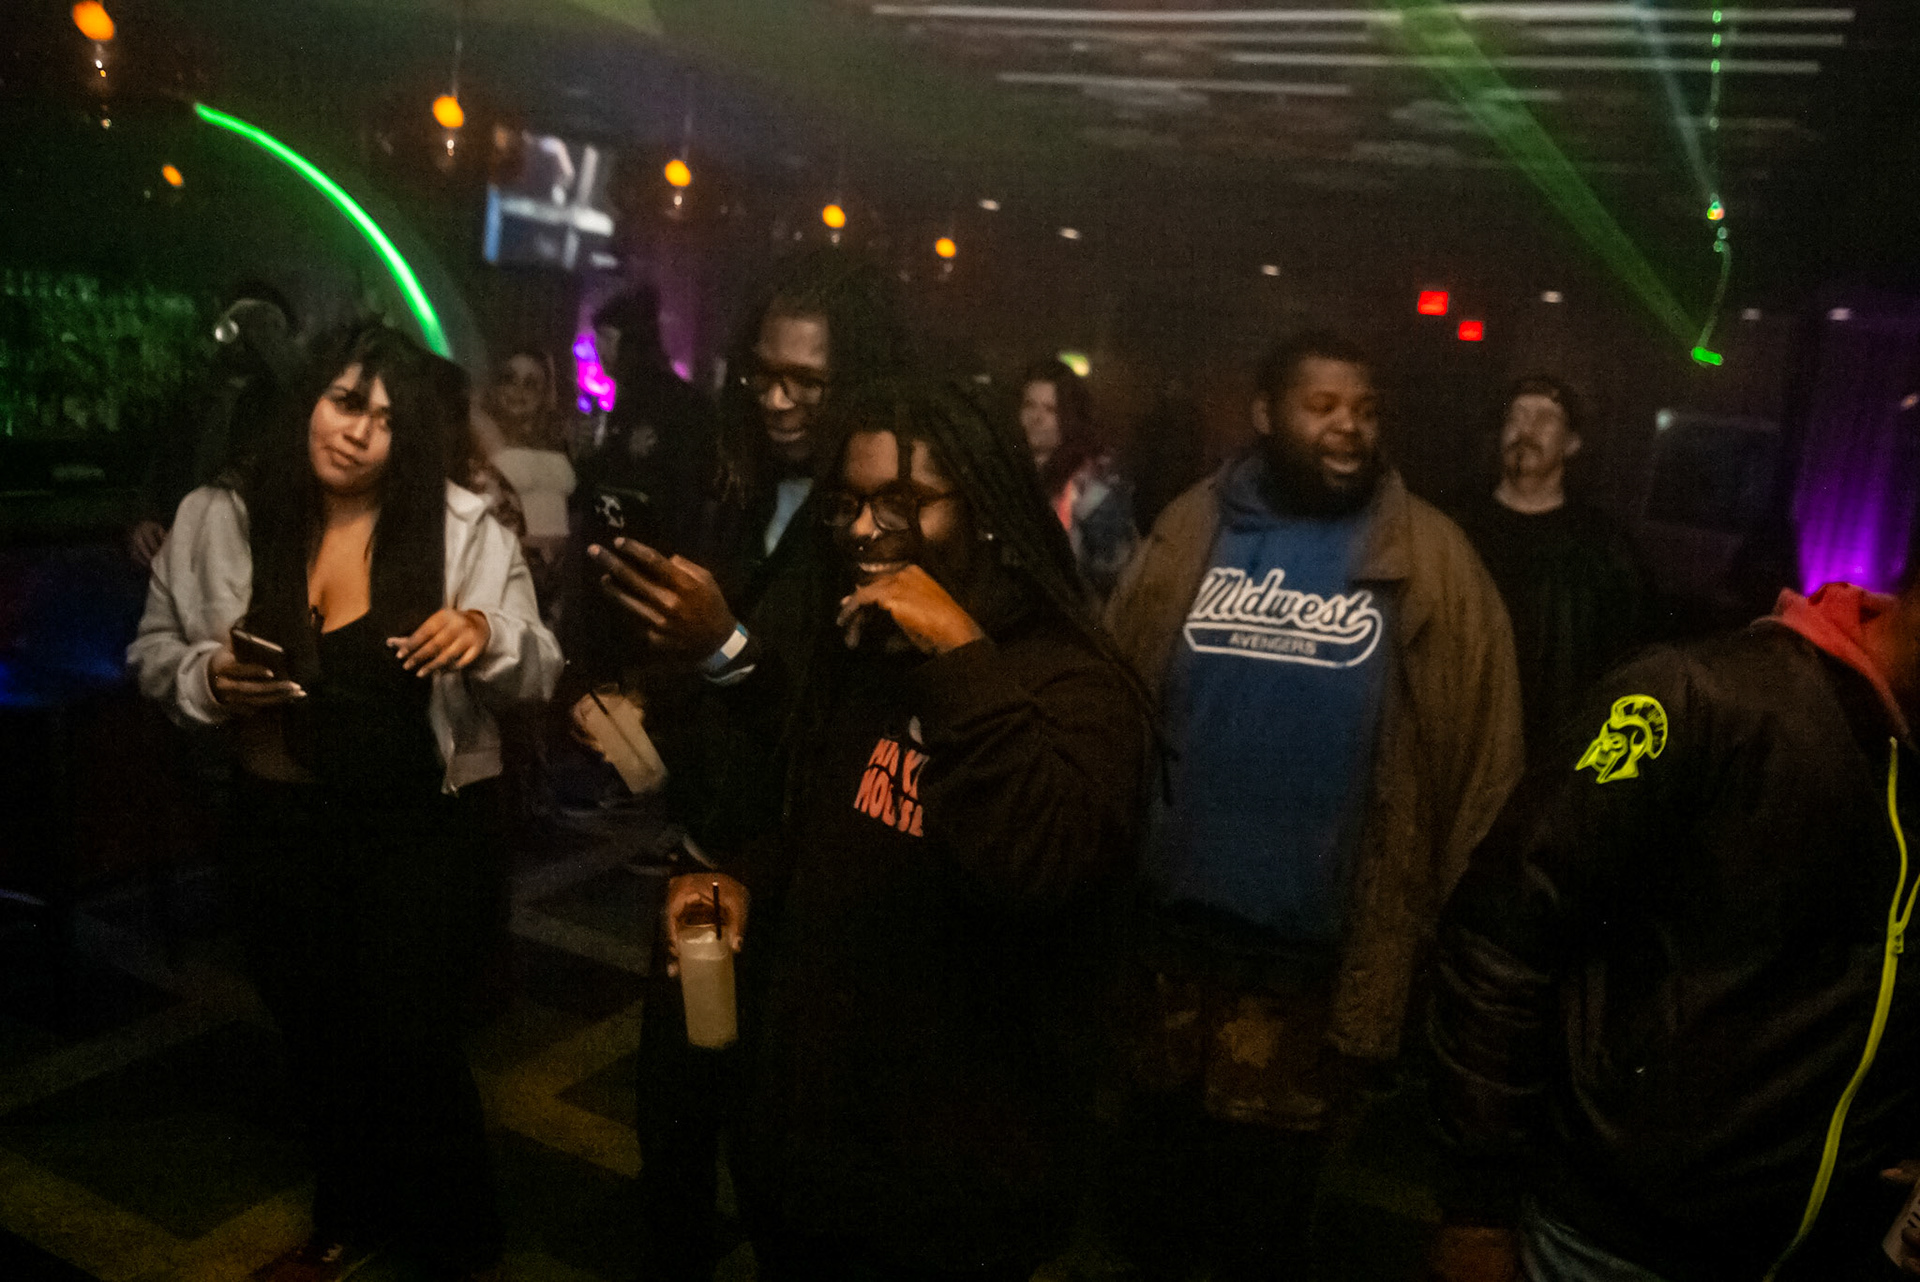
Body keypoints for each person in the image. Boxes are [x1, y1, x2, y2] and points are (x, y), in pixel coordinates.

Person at [596, 378, 1148, 1280]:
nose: (862, 529)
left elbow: (1036, 866)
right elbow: (835, 819)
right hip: (814, 1155)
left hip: (950, 1185)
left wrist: (960, 653)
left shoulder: (1074, 686)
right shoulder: (868, 652)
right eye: (847, 505)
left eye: (901, 503)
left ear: (985, 510)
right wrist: (747, 879)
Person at [127, 320, 563, 1282]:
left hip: (417, 833)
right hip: (278, 826)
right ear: (310, 400)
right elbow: (154, 649)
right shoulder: (220, 516)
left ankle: (457, 1241)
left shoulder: (461, 527)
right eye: (346, 402)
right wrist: (207, 678)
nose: (361, 431)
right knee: (315, 1032)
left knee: (410, 1041)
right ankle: (350, 1213)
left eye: (389, 419)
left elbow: (540, 663)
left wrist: (485, 632)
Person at [1101, 330, 1525, 1281]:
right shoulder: (1191, 527)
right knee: (1147, 1213)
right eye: (1323, 406)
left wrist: (1443, 940)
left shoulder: (1433, 558)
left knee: (1263, 1226)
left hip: (1313, 975)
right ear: (1265, 414)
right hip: (1166, 953)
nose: (1349, 428)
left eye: (1365, 410)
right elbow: (1112, 688)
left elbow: (1486, 762)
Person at [568, 250, 910, 1280]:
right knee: (674, 1108)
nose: (778, 399)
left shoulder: (877, 521)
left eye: (808, 381)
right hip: (708, 856)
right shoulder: (737, 484)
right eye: (765, 373)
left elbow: (837, 719)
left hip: (806, 884)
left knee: (783, 1142)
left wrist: (720, 647)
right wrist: (643, 697)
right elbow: (712, 668)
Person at [1428, 570, 1920, 1281]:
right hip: (1603, 1247)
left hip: (1817, 1259)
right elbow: (1500, 937)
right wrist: (1476, 1210)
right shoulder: (1700, 697)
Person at [1452, 376, 1648, 752]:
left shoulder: (1603, 549)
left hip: (1551, 750)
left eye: (1545, 418)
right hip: (1463, 740)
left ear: (1571, 443)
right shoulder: (1455, 528)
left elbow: (1626, 663)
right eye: (1516, 416)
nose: (1526, 429)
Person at [129, 281, 300, 570]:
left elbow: (302, 390)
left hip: (258, 558)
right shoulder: (197, 395)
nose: (244, 337)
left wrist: (271, 344)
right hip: (188, 555)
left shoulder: (286, 400)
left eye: (259, 326)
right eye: (236, 324)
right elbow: (162, 466)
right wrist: (145, 519)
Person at [1019, 358, 1137, 600]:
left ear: (1070, 418)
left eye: (1051, 410)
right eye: (1030, 405)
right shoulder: (1009, 469)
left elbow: (1115, 579)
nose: (1036, 418)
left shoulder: (1094, 489)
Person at [471, 347, 576, 604]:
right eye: (509, 379)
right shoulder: (474, 442)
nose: (518, 391)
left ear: (544, 394)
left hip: (545, 591)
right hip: (491, 584)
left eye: (530, 384)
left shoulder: (556, 446)